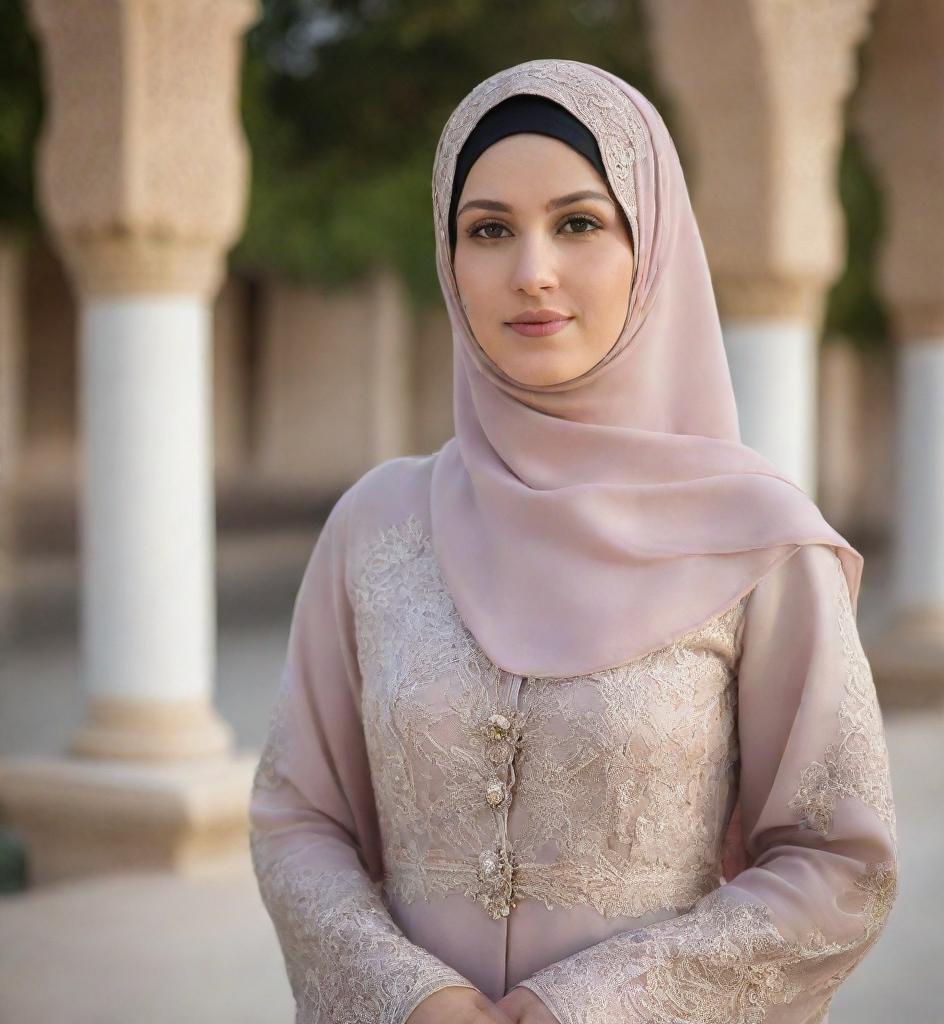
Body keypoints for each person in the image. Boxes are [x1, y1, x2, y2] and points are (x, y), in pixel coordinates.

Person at [248, 58, 899, 1024]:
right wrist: (411, 997)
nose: (531, 272)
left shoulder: (761, 544)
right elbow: (301, 816)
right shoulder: (375, 525)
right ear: (450, 257)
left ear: (652, 249)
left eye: (580, 222)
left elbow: (838, 862)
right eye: (489, 230)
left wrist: (587, 1007)